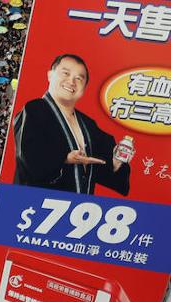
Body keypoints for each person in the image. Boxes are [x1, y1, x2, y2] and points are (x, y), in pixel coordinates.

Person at [12, 53, 132, 196]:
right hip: (35, 203)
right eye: (66, 73)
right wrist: (65, 158)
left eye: (79, 78)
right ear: (50, 75)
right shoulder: (34, 109)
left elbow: (102, 171)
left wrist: (117, 161)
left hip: (79, 210)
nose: (71, 82)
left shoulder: (88, 125)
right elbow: (28, 158)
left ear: (84, 88)